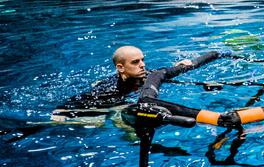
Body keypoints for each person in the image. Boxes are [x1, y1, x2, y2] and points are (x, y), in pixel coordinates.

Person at [54, 46, 194, 119]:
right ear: (121, 67)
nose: (142, 65)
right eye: (135, 62)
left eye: (142, 60)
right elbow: (77, 101)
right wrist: (61, 111)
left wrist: (178, 66)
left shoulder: (143, 74)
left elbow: (160, 74)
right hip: (107, 105)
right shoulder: (109, 90)